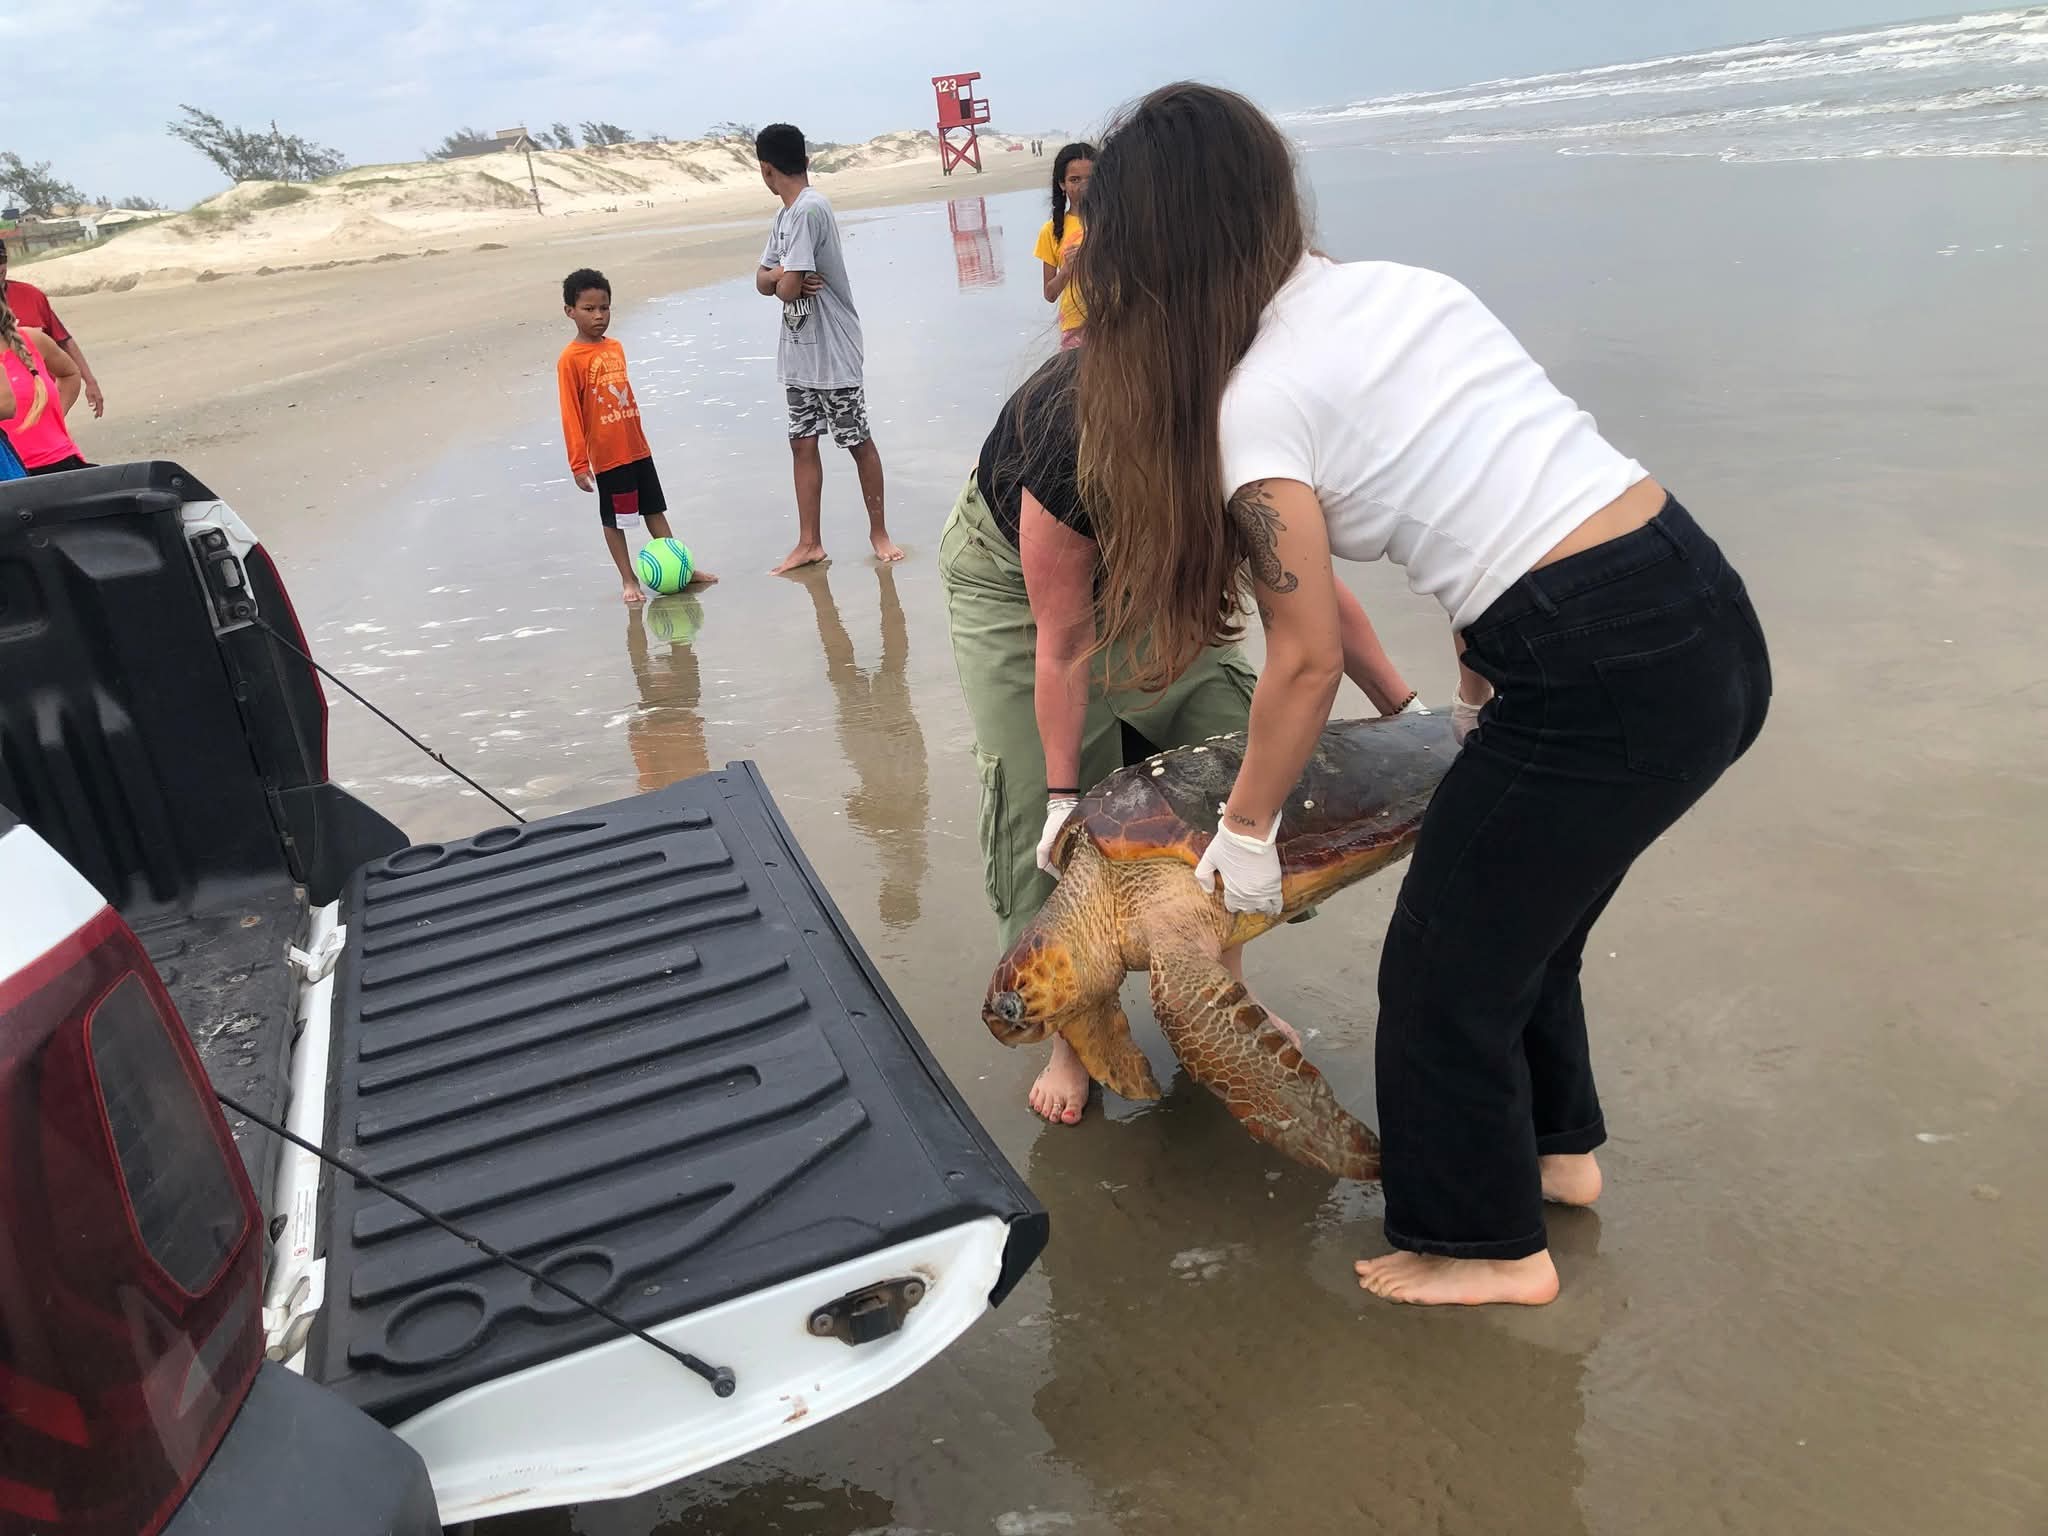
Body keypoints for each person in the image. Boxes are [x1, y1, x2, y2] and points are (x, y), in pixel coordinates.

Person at [1070, 84, 1771, 1307]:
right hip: (1698, 607)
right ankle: (1558, 1156)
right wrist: (1472, 673)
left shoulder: (1254, 405)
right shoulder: (1405, 288)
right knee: (1523, 928)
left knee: (1441, 965)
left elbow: (1297, 657)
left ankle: (1480, 1246)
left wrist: (1241, 836)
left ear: (1154, 260)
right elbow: (1504, 477)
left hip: (1594, 663)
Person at [943, 351, 1421, 1124]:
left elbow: (1316, 605)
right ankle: (1072, 1037)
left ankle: (1220, 991)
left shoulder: (1258, 436)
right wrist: (1065, 799)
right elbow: (1062, 647)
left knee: (1235, 751)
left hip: (1162, 562)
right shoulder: (1071, 440)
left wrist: (1409, 711)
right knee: (1048, 821)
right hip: (1022, 587)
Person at [754, 123, 902, 575]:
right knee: (802, 443)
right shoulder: (785, 215)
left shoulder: (809, 210)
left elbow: (783, 289)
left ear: (765, 169)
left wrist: (784, 278)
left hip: (833, 349)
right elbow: (765, 282)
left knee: (856, 440)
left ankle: (879, 533)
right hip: (799, 351)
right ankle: (809, 542)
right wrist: (785, 274)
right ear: (806, 159)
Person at [556, 268, 718, 604]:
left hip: (636, 448)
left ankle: (683, 570)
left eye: (605, 307)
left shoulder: (614, 347)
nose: (599, 316)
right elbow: (570, 412)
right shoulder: (570, 360)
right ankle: (628, 579)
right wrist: (578, 462)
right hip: (608, 455)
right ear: (570, 311)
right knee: (616, 519)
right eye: (589, 309)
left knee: (654, 509)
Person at [1, 238, 104, 419]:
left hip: (42, 405)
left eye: (1, 260)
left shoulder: (32, 296)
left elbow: (63, 340)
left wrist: (90, 381)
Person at [0, 297, 89, 475]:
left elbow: (70, 374)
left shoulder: (31, 340)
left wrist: (55, 416)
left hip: (59, 462)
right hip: (8, 472)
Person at [1033, 143, 1094, 349]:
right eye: (1074, 180)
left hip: (1115, 322)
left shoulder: (1116, 224)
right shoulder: (1050, 231)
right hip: (1075, 326)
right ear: (1062, 184)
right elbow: (1049, 294)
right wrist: (1067, 270)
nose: (1083, 186)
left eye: (1090, 179)